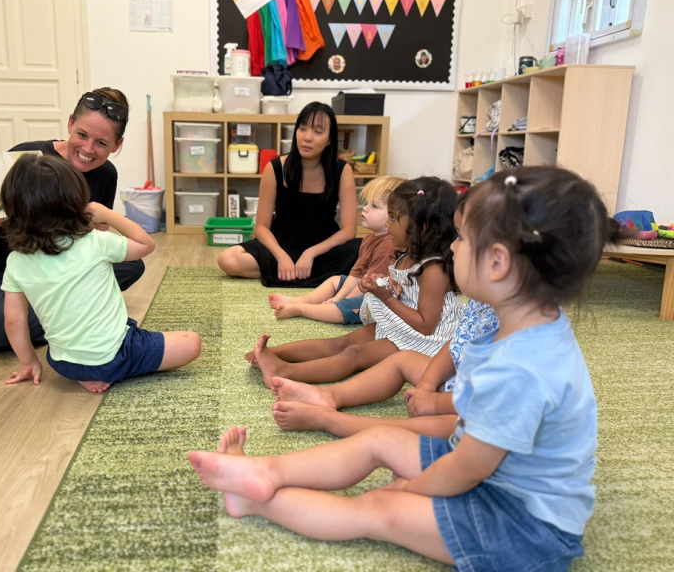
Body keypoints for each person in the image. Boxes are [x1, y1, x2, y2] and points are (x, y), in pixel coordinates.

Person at [189, 166, 621, 570]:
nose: (452, 246)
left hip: (521, 526)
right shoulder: (514, 323)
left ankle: (254, 500)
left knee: (381, 507)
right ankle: (265, 472)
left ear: (498, 262)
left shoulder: (520, 369)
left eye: (462, 238)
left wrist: (413, 488)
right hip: (491, 472)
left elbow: (469, 468)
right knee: (379, 440)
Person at [0, 88, 143, 352]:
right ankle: (68, 315)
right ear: (70, 124)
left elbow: (96, 239)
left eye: (101, 143)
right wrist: (29, 208)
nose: (87, 149)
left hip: (39, 272)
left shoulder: (105, 174)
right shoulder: (30, 158)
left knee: (131, 265)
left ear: (116, 145)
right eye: (82, 135)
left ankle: (40, 312)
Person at [271, 194, 501, 437]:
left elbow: (489, 397)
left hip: (469, 398)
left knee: (406, 431)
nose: (453, 245)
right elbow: (457, 344)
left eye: (462, 237)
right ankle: (324, 393)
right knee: (383, 355)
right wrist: (427, 385)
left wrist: (434, 402)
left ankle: (329, 419)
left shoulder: (514, 326)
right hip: (441, 367)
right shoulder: (482, 302)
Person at [0, 154, 201, 393]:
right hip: (114, 354)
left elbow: (13, 320)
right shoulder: (96, 242)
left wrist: (30, 362)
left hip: (63, 363)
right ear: (75, 202)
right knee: (192, 343)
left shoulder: (15, 261)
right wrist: (107, 214)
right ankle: (116, 369)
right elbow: (146, 245)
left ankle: (91, 372)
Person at [246, 176, 462, 388]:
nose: (387, 223)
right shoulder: (406, 253)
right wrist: (383, 283)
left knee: (353, 354)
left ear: (421, 228)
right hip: (400, 324)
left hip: (423, 340)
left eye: (393, 218)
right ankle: (272, 353)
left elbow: (426, 325)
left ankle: (283, 371)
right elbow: (406, 288)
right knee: (340, 343)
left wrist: (386, 297)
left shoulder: (434, 270)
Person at [217, 102, 361, 288]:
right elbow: (261, 227)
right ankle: (302, 272)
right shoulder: (275, 168)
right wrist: (281, 256)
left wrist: (310, 253)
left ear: (329, 140)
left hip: (324, 248)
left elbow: (349, 231)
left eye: (318, 131)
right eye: (303, 129)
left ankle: (289, 272)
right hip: (281, 243)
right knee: (228, 259)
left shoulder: (342, 170)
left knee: (366, 250)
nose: (307, 137)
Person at [268, 175, 404, 323]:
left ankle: (300, 309)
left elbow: (370, 286)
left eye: (375, 206)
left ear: (394, 216)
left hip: (379, 297)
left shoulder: (387, 245)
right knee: (334, 281)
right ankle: (300, 301)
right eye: (367, 203)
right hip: (365, 286)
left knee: (345, 307)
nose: (365, 208)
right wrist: (339, 297)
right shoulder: (369, 239)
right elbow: (356, 275)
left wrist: (342, 301)